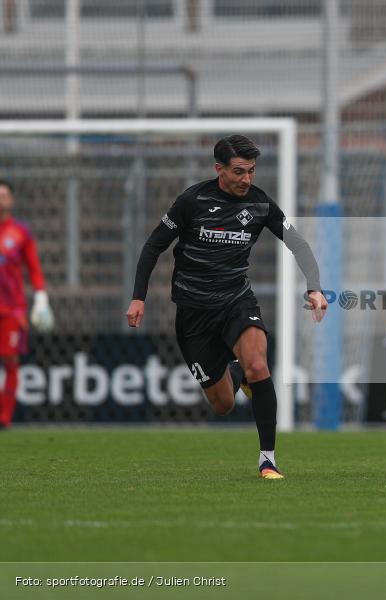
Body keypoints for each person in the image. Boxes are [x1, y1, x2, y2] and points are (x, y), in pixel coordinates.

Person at [126, 135, 328, 479]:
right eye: (238, 171)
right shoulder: (193, 200)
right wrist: (138, 296)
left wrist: (314, 288)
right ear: (219, 169)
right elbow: (153, 245)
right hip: (193, 313)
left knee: (258, 365)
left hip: (236, 301)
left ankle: (268, 459)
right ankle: (235, 375)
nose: (246, 179)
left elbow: (298, 243)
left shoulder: (261, 204)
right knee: (222, 404)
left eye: (251, 171)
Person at [0, 179, 54, 429]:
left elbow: (33, 269)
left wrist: (41, 299)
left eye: (4, 195)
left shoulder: (20, 232)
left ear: (12, 200)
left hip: (12, 310)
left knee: (10, 360)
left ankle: (4, 419)